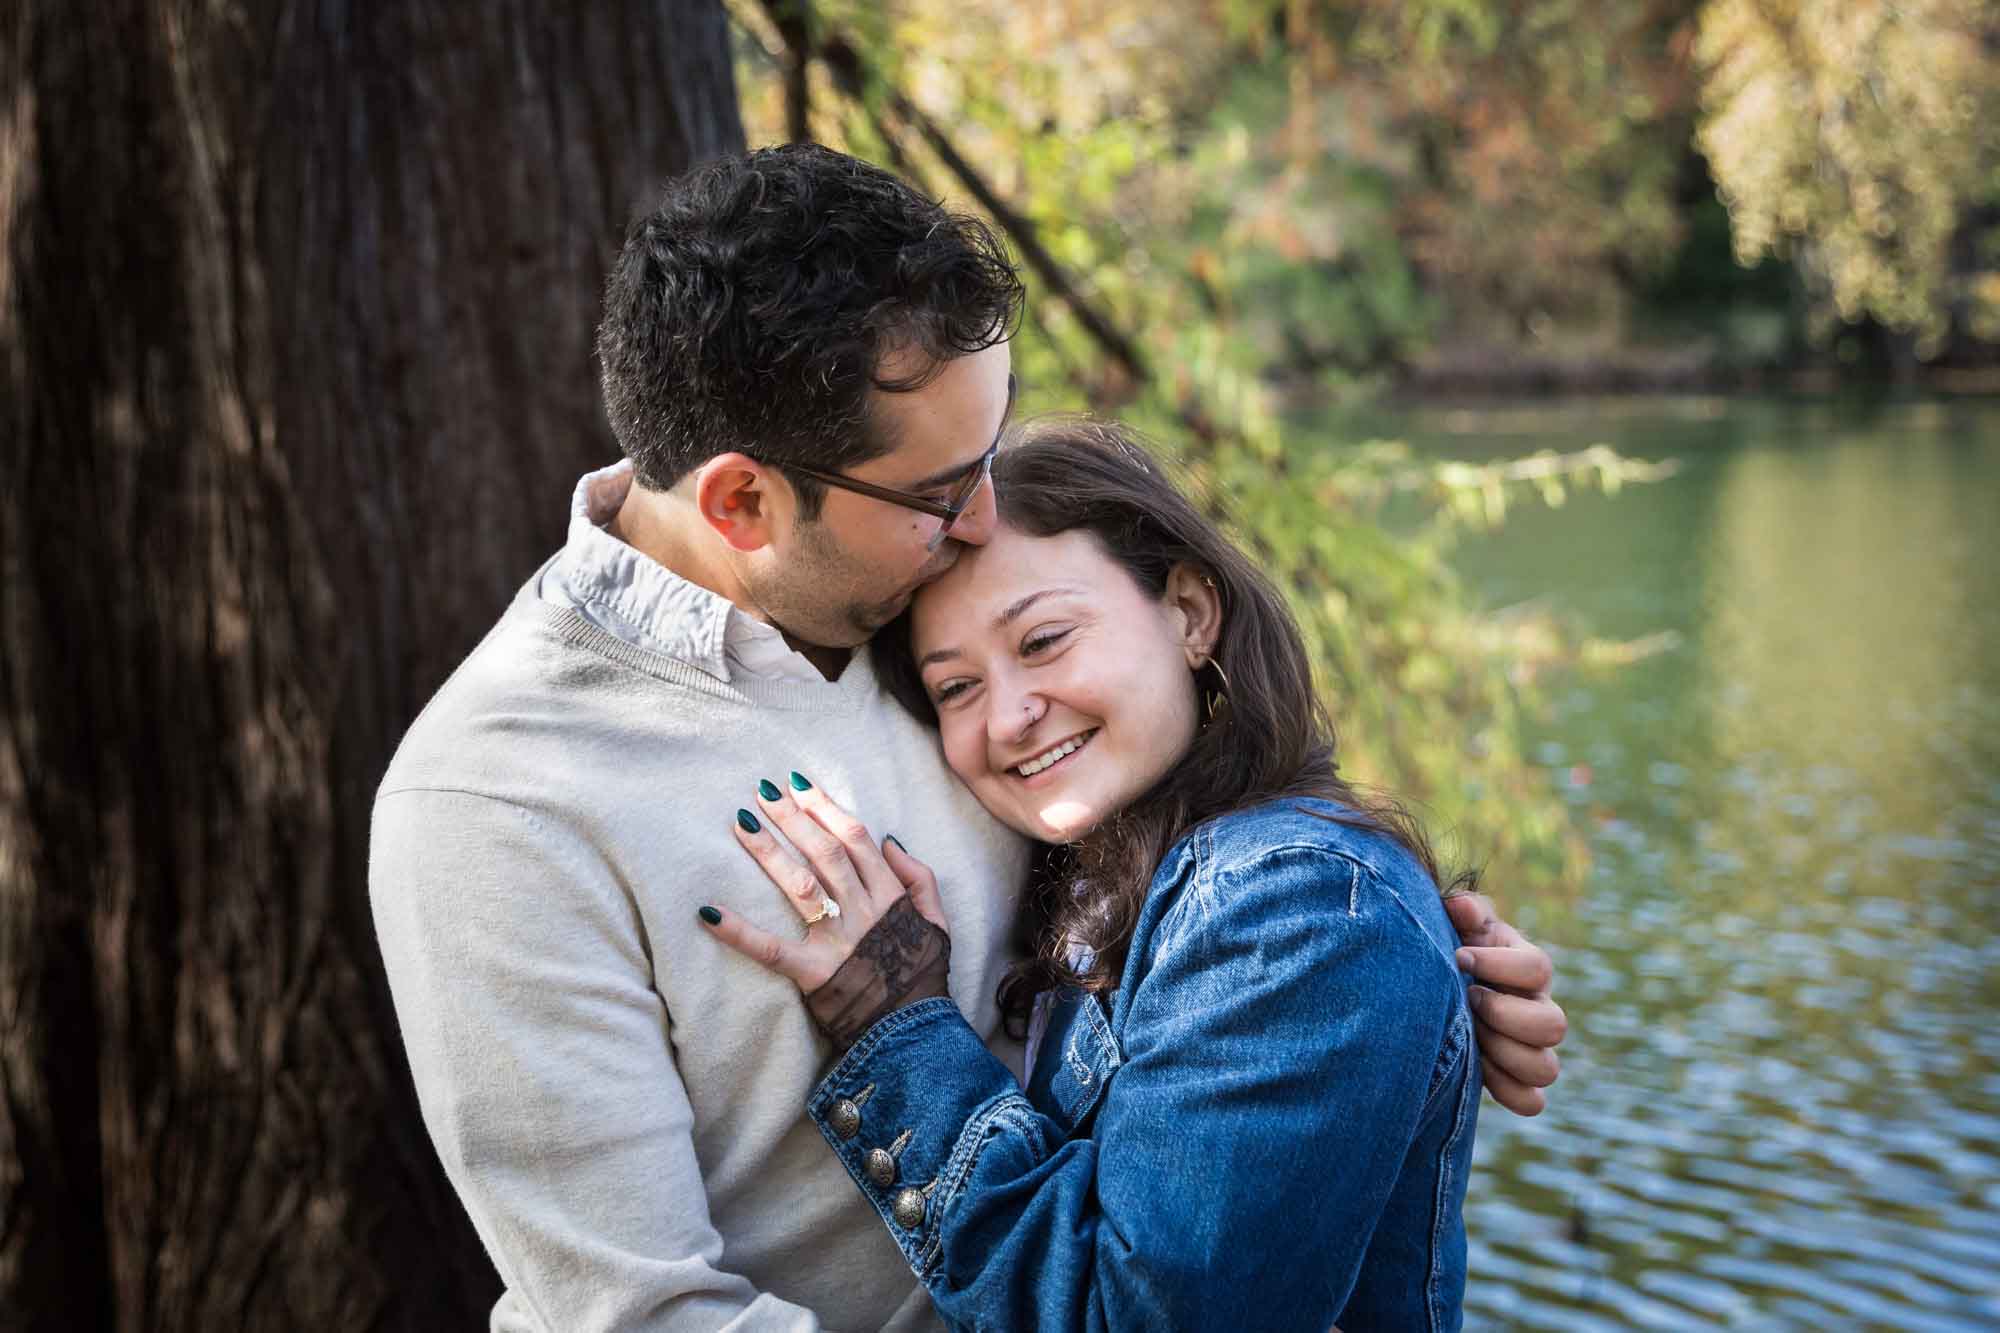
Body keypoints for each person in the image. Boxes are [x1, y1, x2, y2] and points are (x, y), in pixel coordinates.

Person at [370, 144, 1564, 1331]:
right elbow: (642, 1316)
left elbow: (1163, 860)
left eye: (986, 454)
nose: (980, 521)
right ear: (742, 502)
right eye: (942, 491)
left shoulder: (919, 593)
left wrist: (1408, 983)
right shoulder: (498, 804)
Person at [701, 419, 1495, 1330]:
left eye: (1043, 640)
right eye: (956, 687)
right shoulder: (1113, 887)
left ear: (1190, 614)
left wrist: (896, 1028)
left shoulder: (1302, 910)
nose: (1009, 717)